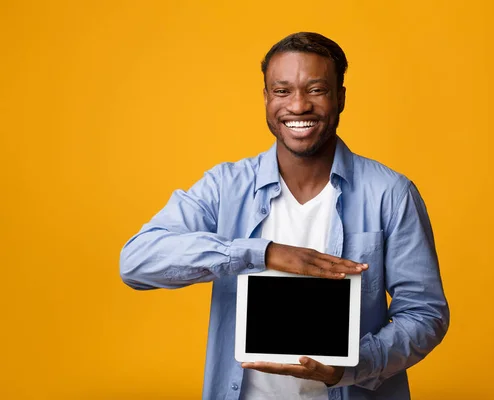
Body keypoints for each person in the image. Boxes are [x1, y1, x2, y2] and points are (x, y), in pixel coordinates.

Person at [120, 32, 449, 400]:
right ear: (265, 99)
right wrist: (263, 253)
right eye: (282, 91)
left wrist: (351, 367)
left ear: (340, 97)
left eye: (316, 90)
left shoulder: (390, 193)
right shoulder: (224, 187)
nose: (298, 105)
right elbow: (137, 261)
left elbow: (425, 315)